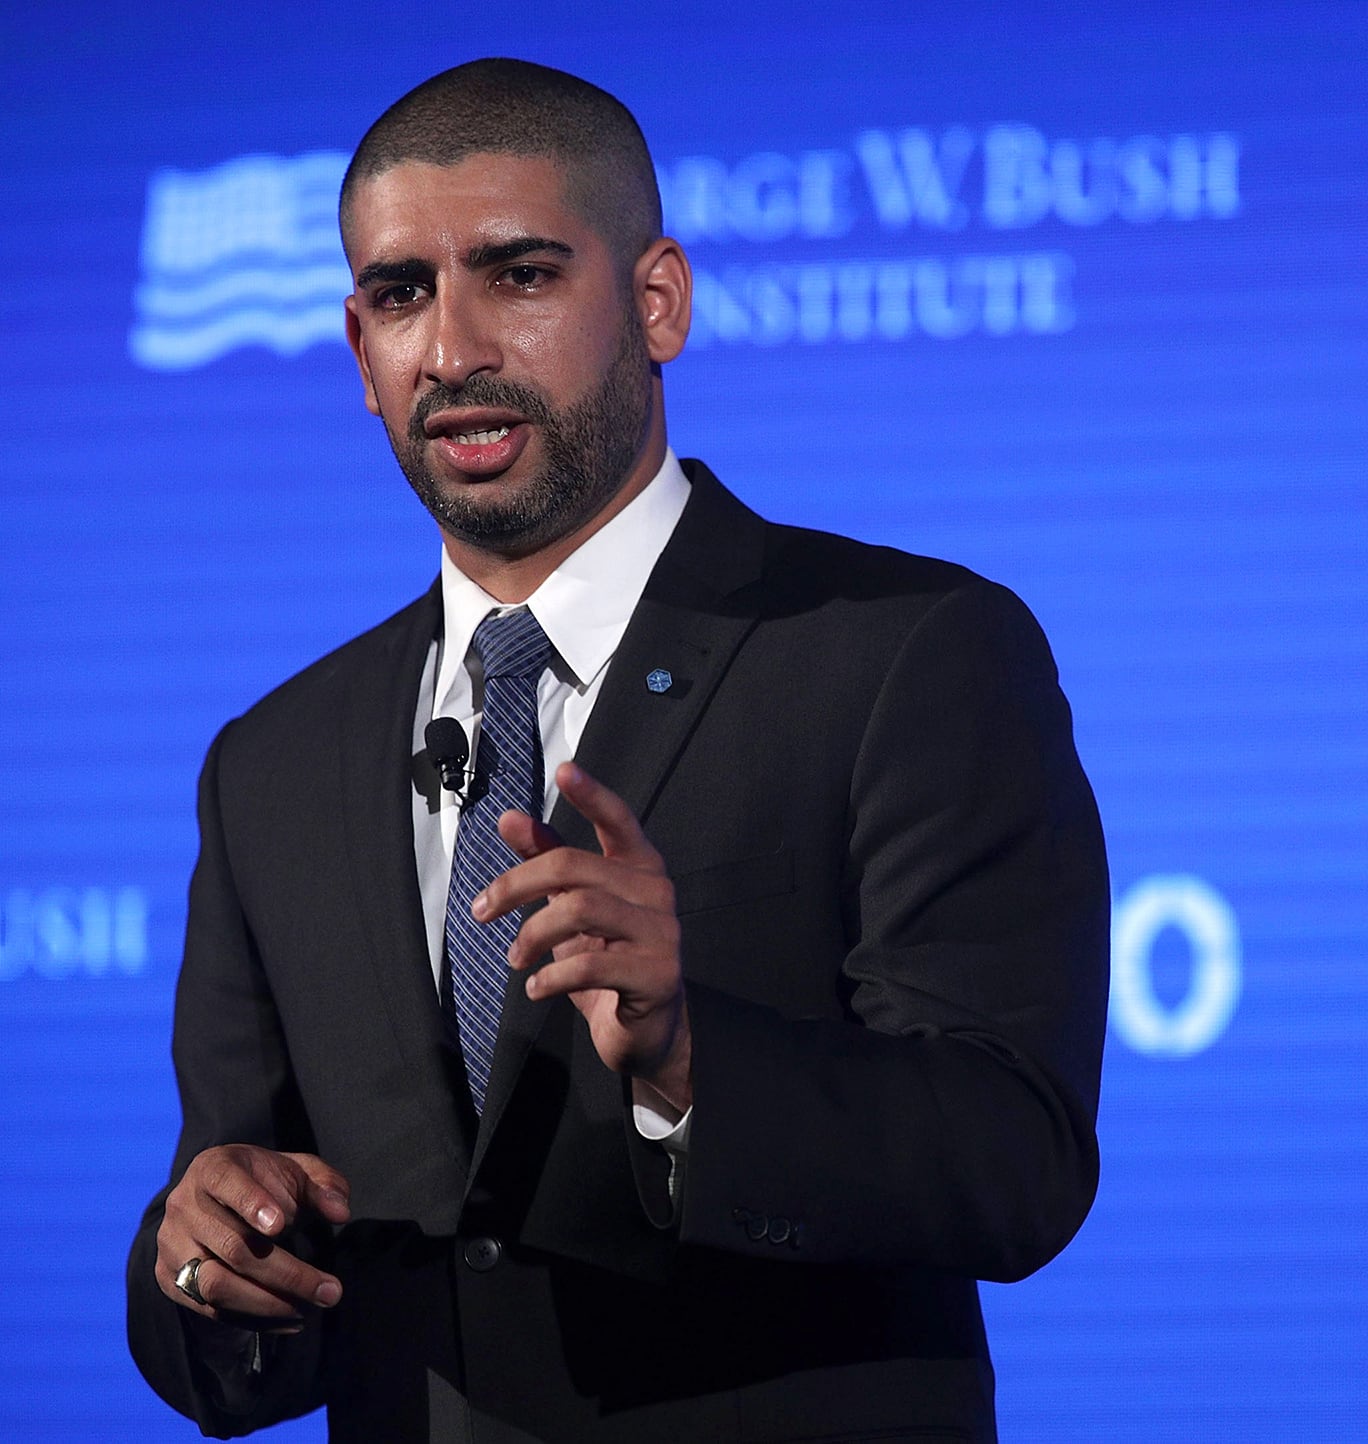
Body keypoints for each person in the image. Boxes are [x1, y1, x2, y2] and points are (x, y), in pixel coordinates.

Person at [126, 58, 1109, 1443]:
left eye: (519, 275)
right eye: (403, 294)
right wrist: (204, 1265)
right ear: (360, 351)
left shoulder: (903, 652)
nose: (453, 346)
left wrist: (691, 1060)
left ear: (658, 302)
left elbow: (1017, 1164)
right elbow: (229, 1247)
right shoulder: (275, 760)